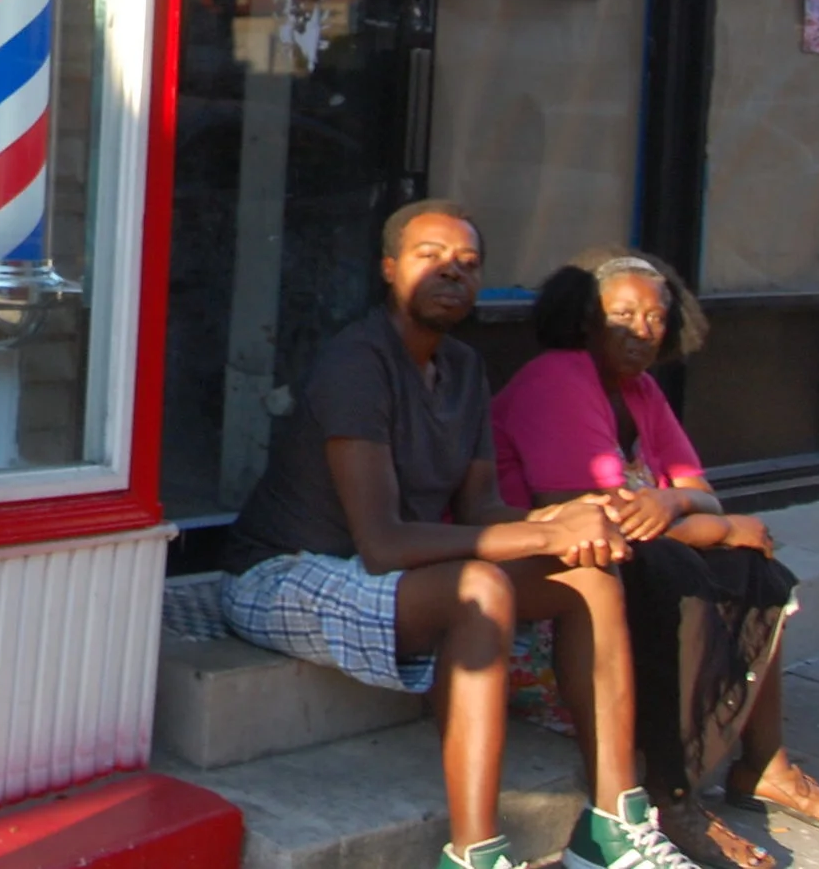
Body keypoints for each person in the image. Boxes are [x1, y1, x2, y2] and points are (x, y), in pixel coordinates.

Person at [220, 199, 691, 869]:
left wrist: (561, 521)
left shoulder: (465, 368)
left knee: (590, 576)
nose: (451, 272)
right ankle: (474, 854)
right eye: (430, 256)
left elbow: (480, 510)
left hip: (386, 575)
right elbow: (383, 543)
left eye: (468, 263)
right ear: (389, 268)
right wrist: (542, 538)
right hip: (283, 572)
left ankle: (613, 826)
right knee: (480, 589)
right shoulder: (357, 363)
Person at [493, 252, 819, 867]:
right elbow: (606, 526)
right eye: (622, 315)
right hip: (555, 626)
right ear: (586, 319)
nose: (641, 331)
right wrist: (721, 527)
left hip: (624, 579)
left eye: (655, 317)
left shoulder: (641, 391)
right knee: (678, 570)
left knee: (755, 568)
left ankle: (765, 765)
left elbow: (699, 492)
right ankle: (671, 796)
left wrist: (675, 501)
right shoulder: (559, 379)